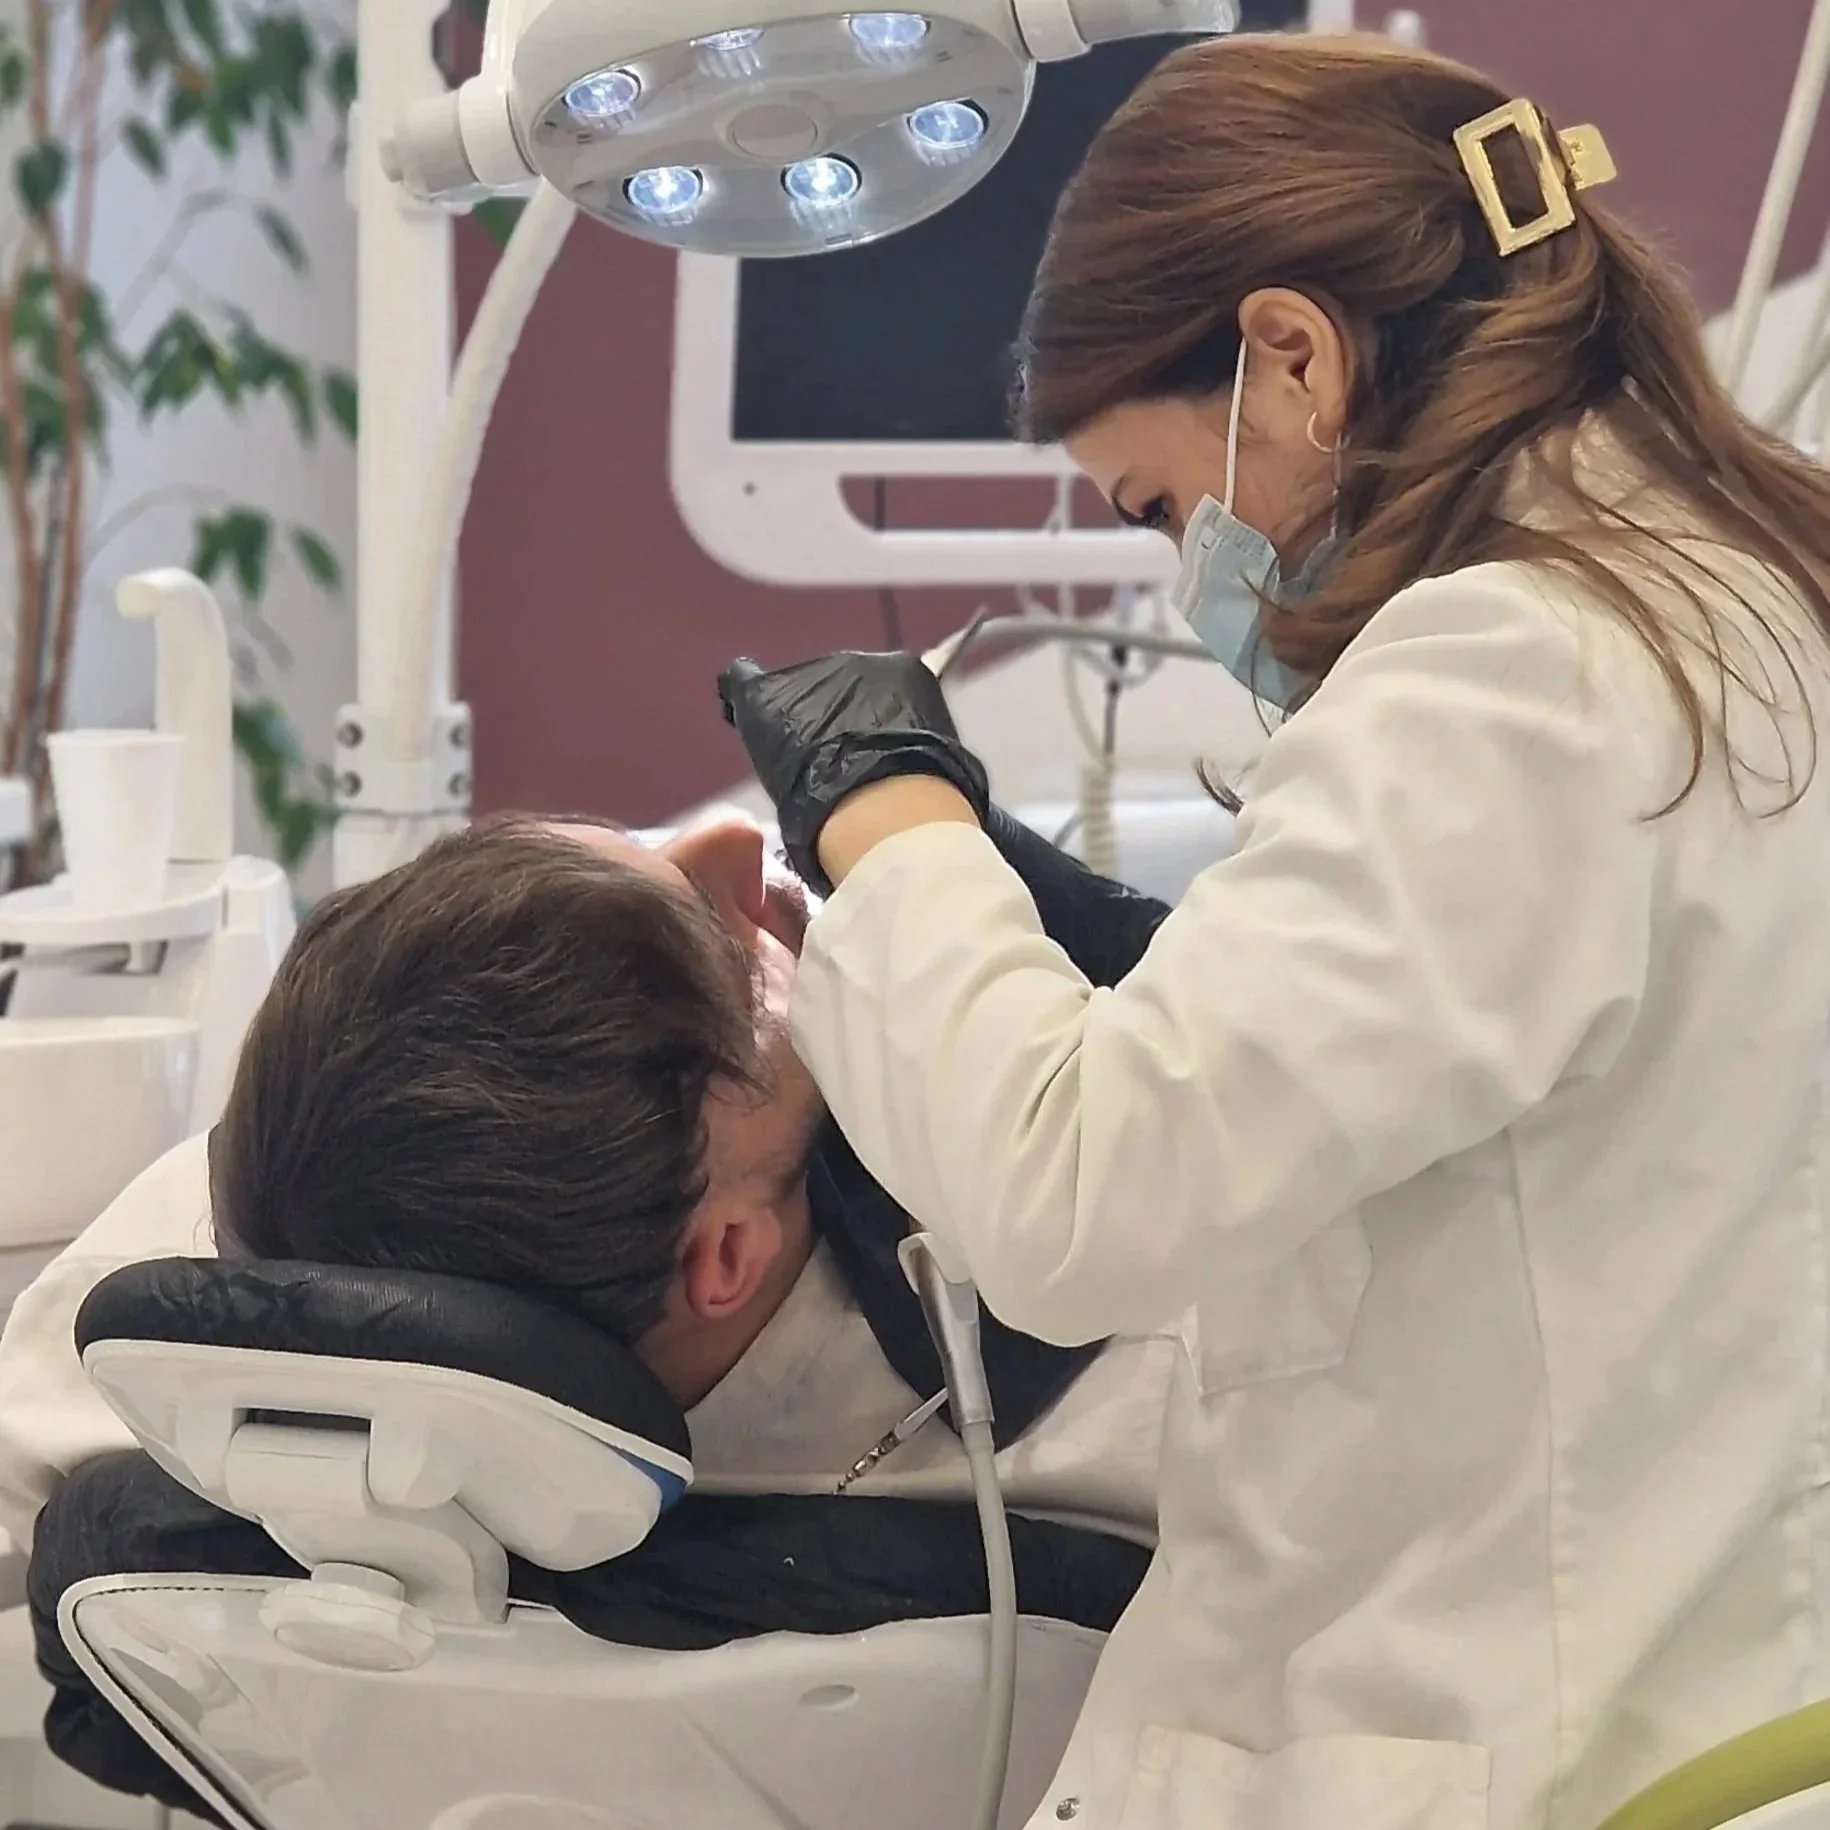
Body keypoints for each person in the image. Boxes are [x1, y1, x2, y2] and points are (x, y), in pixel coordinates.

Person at [717, 32, 1830, 1830]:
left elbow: (1078, 1203)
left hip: (1523, 1737)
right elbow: (1460, 1064)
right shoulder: (1738, 603)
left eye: (1161, 506)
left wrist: (887, 811)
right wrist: (1050, 922)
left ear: (1292, 356)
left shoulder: (1505, 675)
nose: (1188, 573)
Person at [0, 810, 1179, 1554]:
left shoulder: (158, 1319)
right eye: (727, 957)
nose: (726, 839)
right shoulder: (1135, 1397)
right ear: (724, 1256)